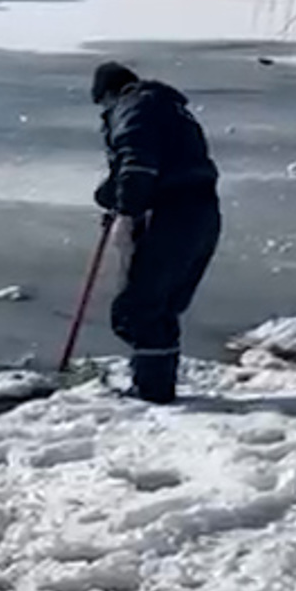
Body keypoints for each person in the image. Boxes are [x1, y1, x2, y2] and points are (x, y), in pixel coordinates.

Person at [91, 62, 224, 404]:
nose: (105, 111)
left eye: (102, 103)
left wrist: (127, 209)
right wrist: (110, 193)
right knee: (160, 306)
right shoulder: (165, 108)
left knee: (138, 309)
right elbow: (151, 160)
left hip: (171, 214)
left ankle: (152, 393)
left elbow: (137, 162)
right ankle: (155, 386)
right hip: (201, 211)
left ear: (109, 94)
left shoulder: (134, 108)